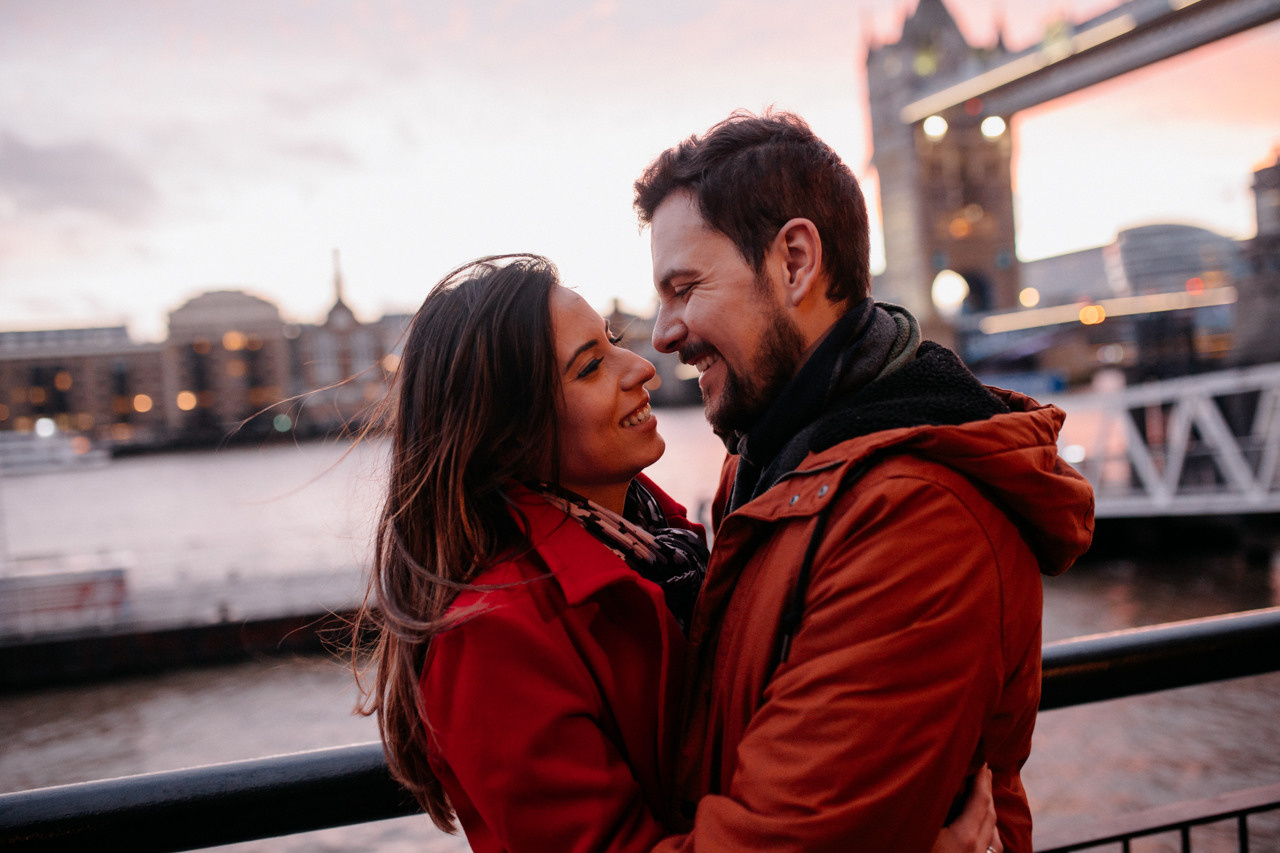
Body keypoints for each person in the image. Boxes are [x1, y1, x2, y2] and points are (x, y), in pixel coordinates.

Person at [352, 254, 1003, 852]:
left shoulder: (674, 546)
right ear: (509, 433)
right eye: (590, 366)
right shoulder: (493, 636)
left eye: (611, 340)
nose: (639, 366)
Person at [633, 110, 1095, 852]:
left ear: (794, 261)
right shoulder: (771, 467)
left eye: (684, 287)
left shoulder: (916, 518)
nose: (662, 333)